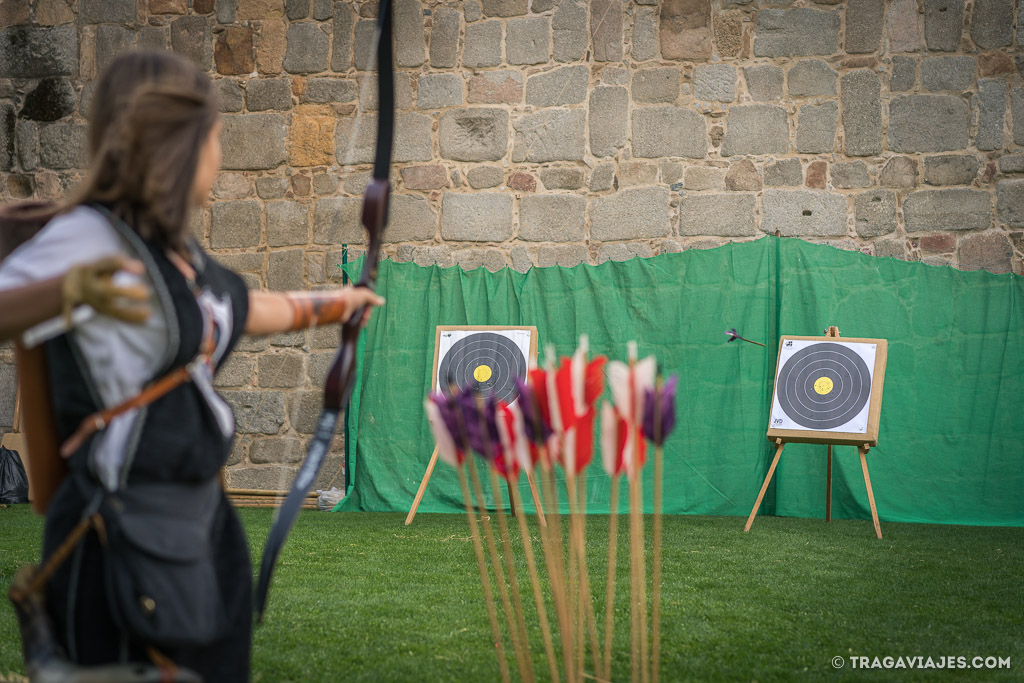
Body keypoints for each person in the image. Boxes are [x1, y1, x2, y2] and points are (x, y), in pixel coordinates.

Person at [0, 51, 383, 681]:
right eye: (214, 136)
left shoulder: (178, 252)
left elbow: (244, 308)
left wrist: (338, 304)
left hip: (198, 527)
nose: (220, 154)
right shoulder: (89, 238)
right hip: (117, 534)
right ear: (180, 144)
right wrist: (65, 293)